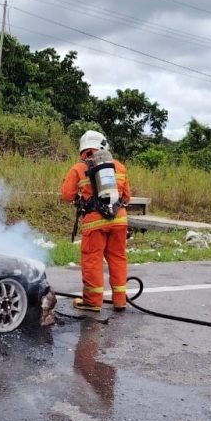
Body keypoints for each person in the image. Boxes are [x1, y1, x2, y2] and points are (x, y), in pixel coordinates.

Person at [59, 130, 131, 312]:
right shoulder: (119, 167)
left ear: (83, 150)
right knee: (118, 257)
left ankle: (92, 302)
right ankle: (120, 300)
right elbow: (127, 197)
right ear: (103, 145)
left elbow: (67, 196)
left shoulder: (78, 168)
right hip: (119, 220)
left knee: (93, 261)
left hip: (94, 222)